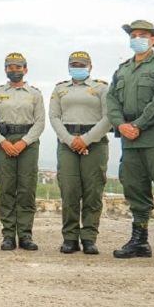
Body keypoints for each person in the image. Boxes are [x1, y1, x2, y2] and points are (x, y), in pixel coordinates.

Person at [105, 19, 154, 263]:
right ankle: (140, 240)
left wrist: (138, 125)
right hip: (129, 138)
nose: (136, 39)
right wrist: (121, 125)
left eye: (142, 35)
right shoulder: (122, 70)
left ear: (153, 40)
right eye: (133, 35)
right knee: (134, 187)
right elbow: (111, 101)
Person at [48, 51, 110, 255]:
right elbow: (54, 117)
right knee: (69, 191)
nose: (78, 67)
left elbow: (108, 118)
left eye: (82, 64)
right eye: (74, 64)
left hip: (95, 143)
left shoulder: (101, 88)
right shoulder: (60, 89)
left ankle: (89, 238)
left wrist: (85, 140)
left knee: (93, 191)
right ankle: (70, 238)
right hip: (67, 143)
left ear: (90, 67)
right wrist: (71, 140)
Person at [0, 53, 45, 251]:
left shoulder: (35, 94)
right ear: (5, 70)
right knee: (7, 188)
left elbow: (40, 122)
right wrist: (2, 141)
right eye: (10, 67)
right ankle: (8, 235)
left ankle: (26, 235)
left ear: (25, 69)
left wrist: (24, 142)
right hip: (4, 143)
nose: (14, 70)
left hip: (28, 143)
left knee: (27, 189)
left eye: (18, 67)